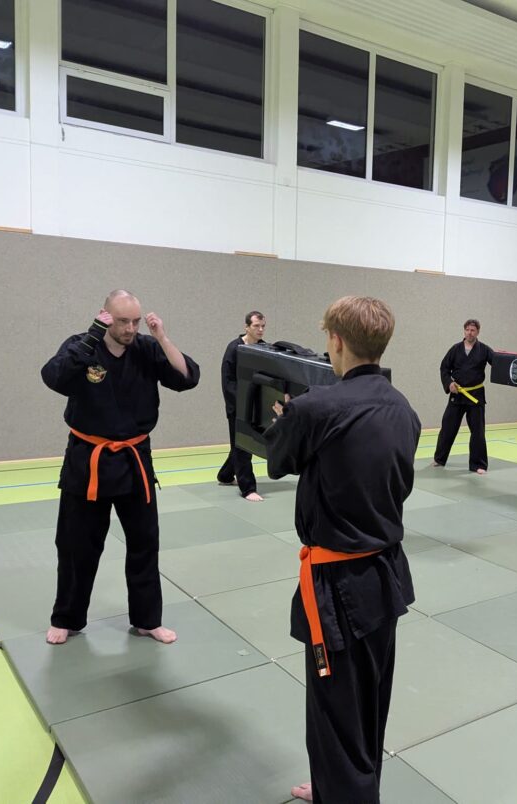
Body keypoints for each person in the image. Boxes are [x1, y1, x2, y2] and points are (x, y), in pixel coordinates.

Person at [265, 296, 420, 804]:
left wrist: (286, 419)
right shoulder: (405, 411)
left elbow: (276, 460)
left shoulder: (314, 408)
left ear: (335, 340)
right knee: (370, 700)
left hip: (337, 589)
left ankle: (346, 794)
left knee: (334, 710)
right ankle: (341, 784)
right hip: (385, 577)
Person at [41, 290, 200, 645]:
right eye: (123, 321)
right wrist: (93, 333)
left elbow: (188, 376)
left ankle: (147, 620)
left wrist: (162, 336)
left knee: (145, 543)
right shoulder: (83, 345)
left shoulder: (146, 349)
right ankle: (66, 617)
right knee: (75, 545)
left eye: (136, 321)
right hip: (88, 460)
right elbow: (53, 377)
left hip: (134, 461)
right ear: (106, 316)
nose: (130, 328)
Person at [431, 318, 495, 474]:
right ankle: (439, 458)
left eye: (473, 330)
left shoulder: (485, 350)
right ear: (464, 331)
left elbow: (498, 364)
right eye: (467, 329)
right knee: (448, 427)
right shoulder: (455, 349)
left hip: (475, 395)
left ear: (478, 332)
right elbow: (444, 368)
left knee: (478, 431)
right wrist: (449, 384)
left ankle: (478, 464)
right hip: (458, 394)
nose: (469, 332)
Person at [218, 310, 266, 500]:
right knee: (243, 446)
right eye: (256, 326)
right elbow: (227, 380)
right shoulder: (234, 348)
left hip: (256, 407)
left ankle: (225, 475)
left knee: (240, 444)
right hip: (238, 407)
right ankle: (248, 488)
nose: (260, 330)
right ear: (247, 327)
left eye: (263, 326)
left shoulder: (264, 348)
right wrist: (240, 405)